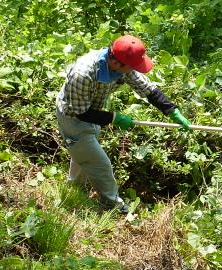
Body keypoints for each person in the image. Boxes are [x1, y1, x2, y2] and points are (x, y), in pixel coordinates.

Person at [55, 35, 191, 213]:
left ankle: (74, 188)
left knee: (83, 153)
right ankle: (112, 205)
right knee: (100, 164)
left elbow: (147, 89)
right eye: (131, 67)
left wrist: (171, 110)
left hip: (93, 112)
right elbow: (81, 112)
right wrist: (114, 118)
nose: (132, 71)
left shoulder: (123, 67)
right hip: (73, 117)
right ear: (116, 62)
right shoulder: (84, 73)